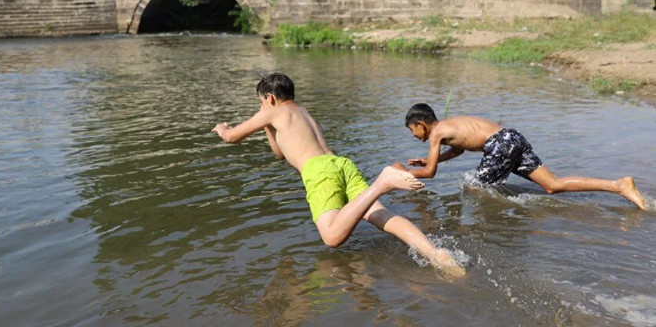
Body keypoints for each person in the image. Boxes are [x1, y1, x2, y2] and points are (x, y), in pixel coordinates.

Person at [212, 73, 465, 277]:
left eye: (261, 103)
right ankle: (436, 254)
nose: (261, 109)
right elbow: (279, 153)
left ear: (270, 98)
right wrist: (267, 125)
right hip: (340, 163)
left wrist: (223, 128)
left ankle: (383, 182)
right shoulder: (301, 111)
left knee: (332, 237)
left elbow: (232, 137)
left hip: (318, 171)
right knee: (380, 215)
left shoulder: (271, 110)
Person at [395, 103, 645, 209]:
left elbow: (430, 174)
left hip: (499, 144)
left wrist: (403, 174)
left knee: (473, 188)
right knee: (553, 185)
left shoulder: (437, 132)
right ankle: (619, 185)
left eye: (412, 130)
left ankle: (491, 230)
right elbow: (459, 150)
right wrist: (430, 159)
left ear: (420, 123)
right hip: (511, 137)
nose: (413, 135)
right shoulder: (450, 125)